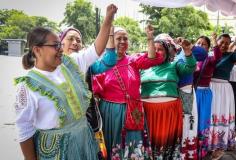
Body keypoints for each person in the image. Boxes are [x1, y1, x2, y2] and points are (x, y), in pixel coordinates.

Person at [14, 4, 117, 160]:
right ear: (37, 50)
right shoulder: (27, 86)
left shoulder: (70, 64)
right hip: (56, 151)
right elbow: (24, 129)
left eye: (59, 44)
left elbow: (96, 49)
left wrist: (108, 17)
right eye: (55, 45)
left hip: (84, 140)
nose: (60, 49)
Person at [91, 24, 163, 159]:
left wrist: (150, 37)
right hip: (111, 112)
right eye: (119, 38)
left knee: (133, 146)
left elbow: (153, 59)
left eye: (125, 38)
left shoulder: (133, 60)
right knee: (113, 145)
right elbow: (95, 89)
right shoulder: (101, 64)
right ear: (111, 40)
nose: (123, 41)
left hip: (133, 111)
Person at [140, 37, 196, 159]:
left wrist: (187, 51)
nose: (156, 52)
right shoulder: (142, 67)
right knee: (148, 142)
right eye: (154, 49)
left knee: (167, 143)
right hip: (147, 113)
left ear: (166, 51)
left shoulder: (174, 64)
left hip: (169, 112)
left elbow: (190, 68)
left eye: (160, 49)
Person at [208, 25, 236, 158]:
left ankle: (219, 146)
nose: (224, 45)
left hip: (224, 89)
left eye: (227, 43)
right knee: (210, 115)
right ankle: (208, 144)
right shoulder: (210, 55)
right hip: (210, 87)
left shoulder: (231, 56)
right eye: (222, 42)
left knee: (221, 115)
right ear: (217, 42)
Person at [194, 35, 223, 159]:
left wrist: (216, 41)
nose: (200, 45)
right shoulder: (189, 58)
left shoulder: (209, 59)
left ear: (208, 47)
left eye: (204, 44)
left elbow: (218, 57)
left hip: (204, 94)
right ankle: (191, 147)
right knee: (192, 121)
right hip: (191, 93)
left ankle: (202, 150)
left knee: (202, 122)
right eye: (198, 43)